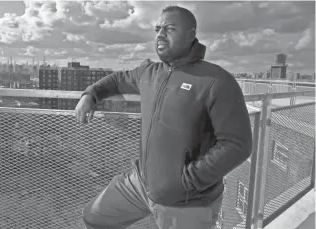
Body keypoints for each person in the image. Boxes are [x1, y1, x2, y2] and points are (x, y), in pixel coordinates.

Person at [75, 5, 252, 229]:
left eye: (169, 28)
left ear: (191, 35)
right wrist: (91, 94)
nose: (160, 34)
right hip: (140, 184)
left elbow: (237, 145)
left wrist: (186, 182)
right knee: (94, 217)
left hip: (187, 202)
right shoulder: (150, 73)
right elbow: (118, 79)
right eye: (158, 29)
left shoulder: (216, 80)